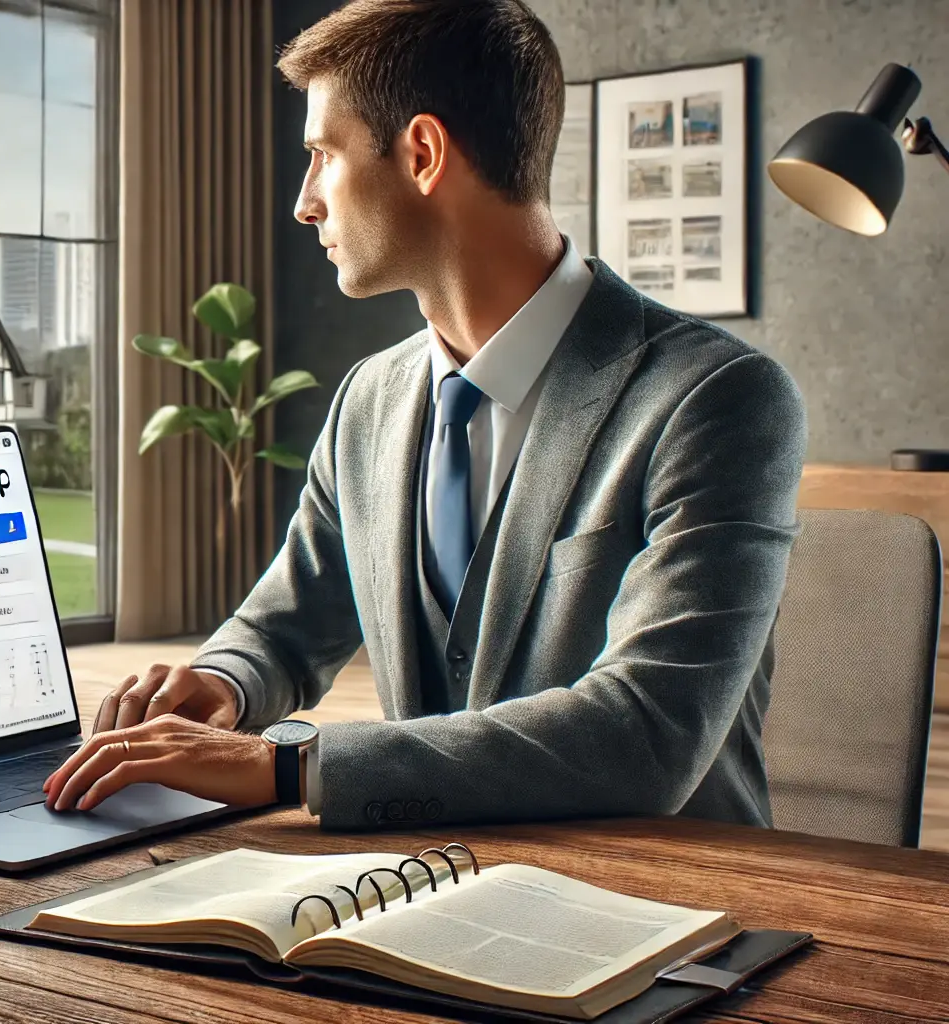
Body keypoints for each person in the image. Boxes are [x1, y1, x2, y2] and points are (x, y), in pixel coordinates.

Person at [43, 0, 806, 831]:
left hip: (667, 918)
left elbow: (646, 736)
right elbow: (286, 627)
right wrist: (223, 683)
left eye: (321, 156)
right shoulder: (369, 399)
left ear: (422, 153)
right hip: (422, 890)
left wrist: (288, 767)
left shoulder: (717, 399)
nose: (304, 203)